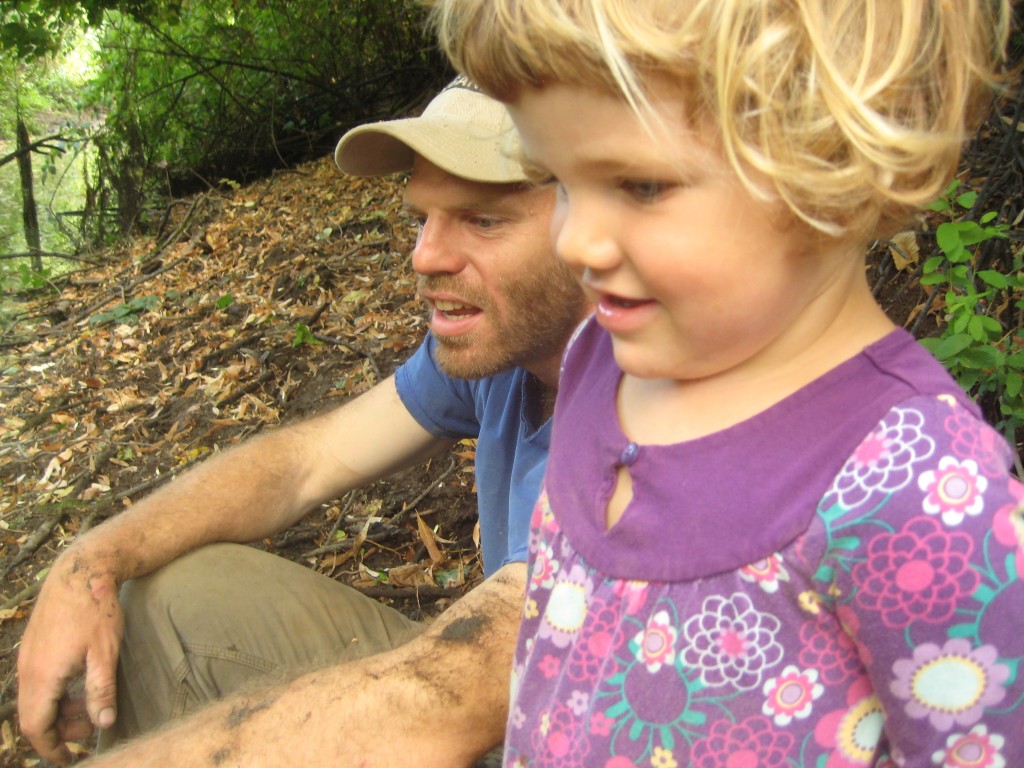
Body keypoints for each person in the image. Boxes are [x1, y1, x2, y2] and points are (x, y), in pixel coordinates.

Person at [431, 1, 1024, 765]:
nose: (575, 239)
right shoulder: (597, 359)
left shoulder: (921, 486)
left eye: (641, 186)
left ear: (835, 164)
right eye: (557, 181)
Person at [16, 76, 589, 767]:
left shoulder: (661, 397)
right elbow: (305, 462)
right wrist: (89, 561)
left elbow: (454, 694)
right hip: (506, 703)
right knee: (170, 598)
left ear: (594, 219)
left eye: (483, 219)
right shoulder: (508, 347)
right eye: (421, 218)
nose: (424, 256)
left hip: (562, 728)